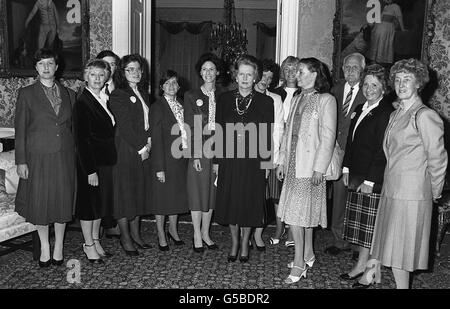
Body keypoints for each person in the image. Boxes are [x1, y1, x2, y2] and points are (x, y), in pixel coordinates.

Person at [356, 58, 447, 289]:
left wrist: (434, 191)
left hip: (412, 194)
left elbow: (438, 159)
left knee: (403, 252)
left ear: (419, 83)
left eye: (407, 79)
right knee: (392, 247)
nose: (401, 84)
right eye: (397, 80)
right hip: (392, 189)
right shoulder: (396, 113)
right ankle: (375, 272)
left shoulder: (424, 116)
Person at [277, 57, 336, 284]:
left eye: (301, 71)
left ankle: (299, 263)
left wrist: (319, 168)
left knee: (298, 217)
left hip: (310, 168)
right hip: (293, 165)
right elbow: (287, 133)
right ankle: (308, 254)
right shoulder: (298, 97)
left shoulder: (326, 100)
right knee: (301, 215)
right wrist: (282, 161)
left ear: (314, 74)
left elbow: (328, 137)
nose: (297, 75)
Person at [14, 48, 75, 267]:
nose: (46, 67)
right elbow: (19, 129)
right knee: (40, 203)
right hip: (37, 157)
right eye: (41, 64)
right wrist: (21, 161)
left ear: (57, 67)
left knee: (61, 202)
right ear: (36, 68)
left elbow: (73, 128)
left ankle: (58, 245)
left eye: (50, 63)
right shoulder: (26, 94)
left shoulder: (69, 94)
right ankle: (45, 247)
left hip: (64, 156)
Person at [214, 55, 274, 263]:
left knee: (249, 202)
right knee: (231, 201)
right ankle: (234, 243)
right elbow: (219, 132)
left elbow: (267, 135)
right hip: (229, 160)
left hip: (253, 162)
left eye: (250, 74)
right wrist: (216, 162)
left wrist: (267, 164)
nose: (245, 78)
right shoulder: (223, 99)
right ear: (235, 76)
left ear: (256, 77)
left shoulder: (266, 102)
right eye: (242, 74)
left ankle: (246, 241)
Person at [338, 64, 394, 282]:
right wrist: (345, 168)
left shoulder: (385, 112)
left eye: (375, 85)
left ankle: (365, 269)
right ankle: (364, 265)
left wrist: (370, 181)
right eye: (366, 84)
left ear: (383, 88)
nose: (369, 89)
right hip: (356, 174)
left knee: (368, 228)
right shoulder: (361, 108)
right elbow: (351, 143)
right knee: (360, 226)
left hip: (372, 178)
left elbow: (382, 150)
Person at [108, 54, 152, 256]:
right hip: (126, 150)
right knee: (124, 195)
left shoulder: (144, 93)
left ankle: (136, 235)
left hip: (142, 147)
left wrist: (149, 141)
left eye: (138, 69)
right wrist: (142, 147)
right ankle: (125, 238)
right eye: (130, 69)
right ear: (122, 73)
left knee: (138, 193)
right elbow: (125, 127)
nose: (135, 73)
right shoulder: (118, 95)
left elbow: (147, 123)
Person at [73, 59, 116, 264]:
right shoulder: (83, 102)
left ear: (106, 77)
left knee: (99, 204)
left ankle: (96, 240)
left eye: (101, 75)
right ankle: (88, 244)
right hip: (90, 163)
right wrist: (90, 170)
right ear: (85, 77)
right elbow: (82, 140)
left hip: (105, 161)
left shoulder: (102, 98)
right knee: (89, 206)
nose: (97, 78)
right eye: (93, 75)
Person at [325, 52, 366, 257]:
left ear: (362, 70)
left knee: (357, 200)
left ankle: (359, 245)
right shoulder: (335, 90)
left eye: (355, 68)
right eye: (347, 67)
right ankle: (339, 240)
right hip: (337, 153)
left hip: (358, 155)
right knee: (339, 198)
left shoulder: (368, 91)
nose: (350, 71)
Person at [184, 54, 222, 252]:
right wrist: (195, 155)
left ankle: (206, 233)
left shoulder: (223, 95)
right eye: (204, 69)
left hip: (218, 151)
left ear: (217, 72)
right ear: (200, 72)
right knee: (197, 194)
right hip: (199, 151)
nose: (208, 73)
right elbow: (191, 127)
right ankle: (196, 234)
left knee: (211, 195)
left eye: (212, 69)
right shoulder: (191, 96)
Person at [149, 70, 189, 251]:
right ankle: (160, 233)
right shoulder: (157, 107)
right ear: (161, 87)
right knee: (161, 199)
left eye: (174, 83)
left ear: (179, 86)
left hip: (181, 160)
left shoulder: (182, 104)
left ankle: (173, 230)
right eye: (167, 83)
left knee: (175, 198)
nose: (171, 86)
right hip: (164, 160)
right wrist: (159, 168)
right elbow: (156, 139)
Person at [253, 59, 284, 250]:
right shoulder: (245, 96)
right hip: (245, 155)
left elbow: (278, 129)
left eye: (270, 77)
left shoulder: (275, 99)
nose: (266, 80)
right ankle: (244, 233)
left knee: (263, 197)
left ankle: (257, 234)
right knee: (248, 195)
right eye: (264, 75)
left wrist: (272, 158)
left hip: (267, 154)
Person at [270, 56, 301, 247]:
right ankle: (279, 226)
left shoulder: (305, 92)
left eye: (294, 69)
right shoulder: (275, 93)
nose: (290, 73)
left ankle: (291, 230)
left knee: (293, 188)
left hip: (297, 147)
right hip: (277, 144)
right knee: (276, 188)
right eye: (287, 69)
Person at [95, 50, 121, 239]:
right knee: (101, 188)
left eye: (112, 64)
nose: (108, 68)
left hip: (120, 146)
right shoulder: (89, 89)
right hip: (100, 149)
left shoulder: (124, 88)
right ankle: (101, 224)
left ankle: (114, 223)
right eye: (104, 64)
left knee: (116, 186)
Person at [368, 0, 405, 66]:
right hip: (378, 27)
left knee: (382, 44)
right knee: (376, 44)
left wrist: (402, 29)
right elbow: (380, 17)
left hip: (387, 28)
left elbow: (400, 18)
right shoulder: (385, 6)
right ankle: (373, 63)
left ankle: (380, 63)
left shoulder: (396, 6)